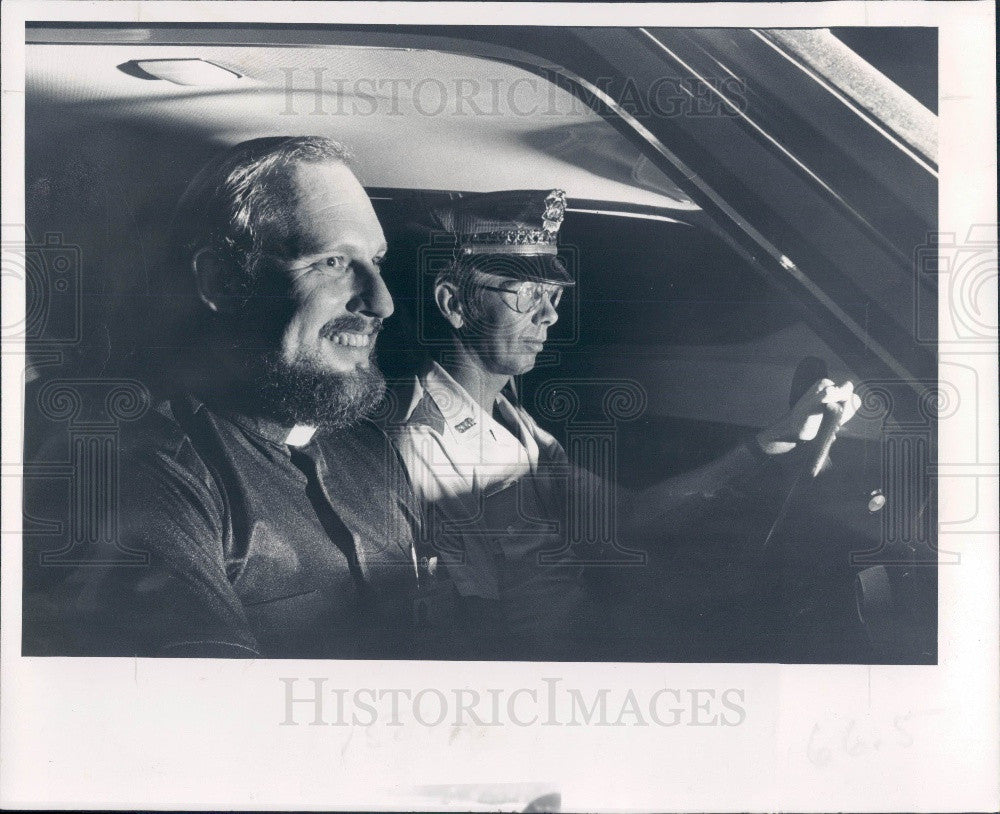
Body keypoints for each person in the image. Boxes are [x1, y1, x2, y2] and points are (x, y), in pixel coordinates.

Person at [388, 189, 862, 660]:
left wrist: (769, 442)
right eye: (528, 293)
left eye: (551, 294)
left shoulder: (515, 423)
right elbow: (476, 627)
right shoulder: (423, 440)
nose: (550, 313)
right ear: (454, 304)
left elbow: (622, 518)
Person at [23, 136, 432, 658]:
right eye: (331, 262)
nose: (382, 301)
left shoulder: (370, 450)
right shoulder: (136, 468)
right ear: (220, 283)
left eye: (376, 260)